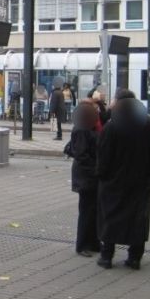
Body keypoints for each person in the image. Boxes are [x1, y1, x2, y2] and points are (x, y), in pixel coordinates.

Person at [96, 89, 150, 270]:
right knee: (138, 217)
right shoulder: (148, 124)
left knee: (110, 216)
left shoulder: (112, 127)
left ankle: (107, 256)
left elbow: (104, 156)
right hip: (141, 180)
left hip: (114, 181)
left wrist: (102, 175)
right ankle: (135, 257)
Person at [66, 100, 101, 257]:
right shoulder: (81, 129)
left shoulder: (88, 127)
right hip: (86, 175)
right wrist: (96, 168)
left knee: (93, 210)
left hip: (89, 174)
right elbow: (82, 155)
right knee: (87, 211)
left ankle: (93, 241)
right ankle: (82, 245)